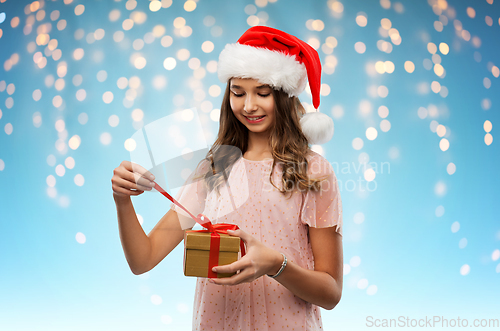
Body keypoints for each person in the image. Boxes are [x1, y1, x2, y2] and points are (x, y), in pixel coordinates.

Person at [112, 26, 343, 331]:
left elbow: (330, 293)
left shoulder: (313, 172)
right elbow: (143, 259)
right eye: (238, 93)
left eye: (262, 93)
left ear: (285, 97)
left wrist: (276, 264)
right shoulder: (214, 166)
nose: (248, 106)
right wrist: (122, 199)